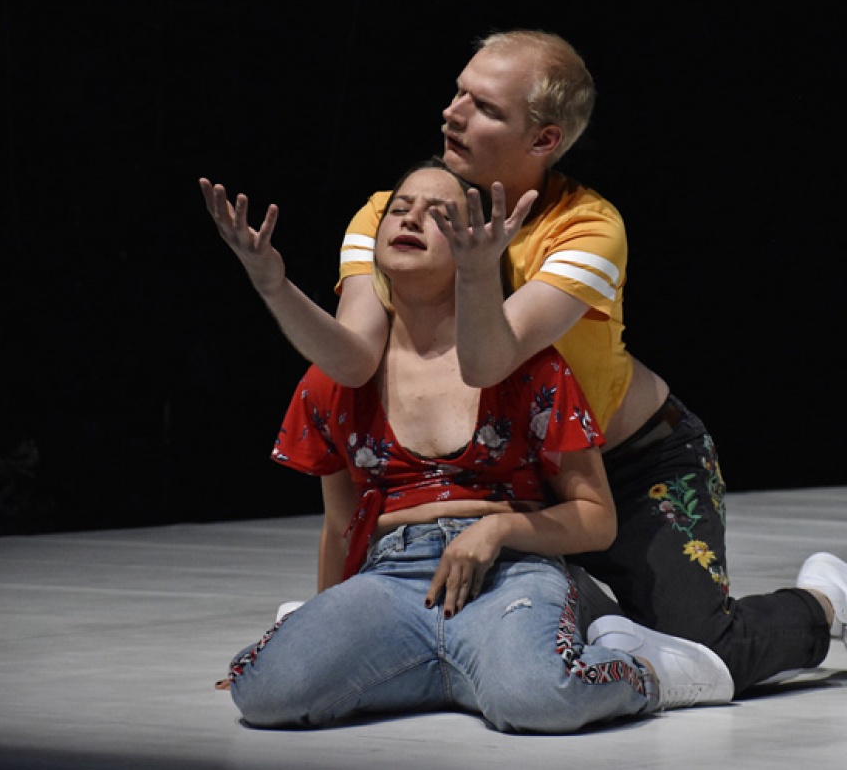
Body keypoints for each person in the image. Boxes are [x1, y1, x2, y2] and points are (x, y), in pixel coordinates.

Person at [208, 29, 847, 691]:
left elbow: (488, 361)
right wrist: (275, 286)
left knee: (709, 646)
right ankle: (597, 627)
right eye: (458, 93)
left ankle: (828, 603)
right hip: (508, 473)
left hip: (630, 464)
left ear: (544, 139)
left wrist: (476, 270)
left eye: (484, 107)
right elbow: (352, 360)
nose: (452, 114)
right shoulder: (395, 210)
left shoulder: (587, 229)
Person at [203, 160, 735, 732]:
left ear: (475, 247)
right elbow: (340, 527)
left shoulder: (529, 369)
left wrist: (497, 531)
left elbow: (596, 519)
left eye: (438, 215)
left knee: (538, 702)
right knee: (267, 693)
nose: (410, 220)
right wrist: (329, 616)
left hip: (510, 572)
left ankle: (647, 668)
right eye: (399, 210)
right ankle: (467, 669)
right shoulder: (335, 381)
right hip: (393, 576)